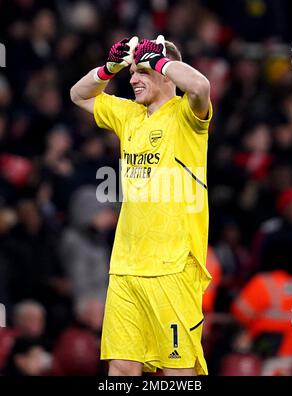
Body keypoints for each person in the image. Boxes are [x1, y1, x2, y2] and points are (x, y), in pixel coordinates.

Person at [70, 34, 212, 376]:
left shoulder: (186, 116)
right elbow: (78, 94)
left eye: (141, 72)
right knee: (120, 369)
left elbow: (200, 85)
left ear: (166, 75)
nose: (132, 79)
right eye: (131, 72)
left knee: (177, 373)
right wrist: (109, 68)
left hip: (173, 266)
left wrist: (160, 59)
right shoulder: (129, 115)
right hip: (125, 267)